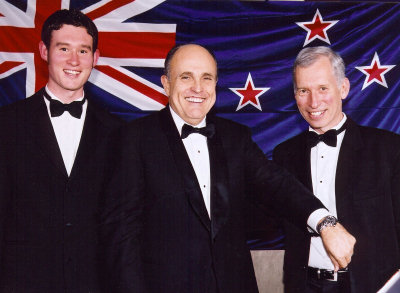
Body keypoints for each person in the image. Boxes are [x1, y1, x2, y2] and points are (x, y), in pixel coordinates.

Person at [102, 43, 355, 293]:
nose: (197, 88)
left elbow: (276, 184)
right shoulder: (134, 139)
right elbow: (121, 237)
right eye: (186, 77)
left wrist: (325, 222)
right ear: (166, 83)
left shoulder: (235, 137)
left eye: (207, 78)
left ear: (215, 84)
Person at [0, 9, 122, 293]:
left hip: (96, 284)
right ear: (44, 51)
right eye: (63, 48)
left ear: (95, 58)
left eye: (83, 50)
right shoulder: (6, 125)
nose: (73, 61)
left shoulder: (119, 132)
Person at [273, 46, 400, 293]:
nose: (313, 102)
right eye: (303, 90)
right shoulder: (283, 155)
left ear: (343, 88)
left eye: (322, 88)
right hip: (304, 286)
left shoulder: (389, 149)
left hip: (371, 286)